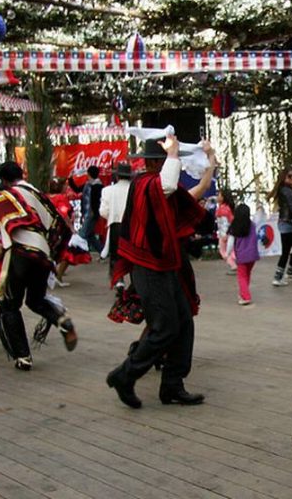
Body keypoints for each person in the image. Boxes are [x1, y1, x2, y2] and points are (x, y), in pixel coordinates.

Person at [105, 135, 210, 409]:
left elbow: (191, 191)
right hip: (149, 267)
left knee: (183, 322)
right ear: (154, 162)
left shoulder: (157, 186)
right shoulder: (146, 183)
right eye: (164, 160)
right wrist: (173, 153)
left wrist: (210, 162)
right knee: (164, 327)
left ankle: (173, 385)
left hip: (165, 265)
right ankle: (124, 376)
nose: (170, 164)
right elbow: (168, 183)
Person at [0, 162, 78, 371]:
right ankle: (62, 321)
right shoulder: (36, 194)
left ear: (4, 180)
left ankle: (23, 356)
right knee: (35, 300)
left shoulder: (9, 195)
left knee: (9, 305)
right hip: (43, 255)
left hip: (21, 253)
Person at [99, 162, 133, 271]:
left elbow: (103, 212)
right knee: (133, 257)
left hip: (115, 225)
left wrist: (112, 216)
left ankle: (118, 278)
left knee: (115, 256)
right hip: (132, 226)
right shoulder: (135, 189)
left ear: (117, 176)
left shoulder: (107, 190)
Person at [229, 203, 259, 306]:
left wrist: (227, 253)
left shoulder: (235, 226)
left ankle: (246, 297)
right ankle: (243, 293)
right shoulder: (252, 225)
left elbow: (230, 242)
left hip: (242, 256)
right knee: (247, 275)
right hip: (253, 255)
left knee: (241, 276)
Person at [78, 165, 104, 254]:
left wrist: (94, 212)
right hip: (87, 212)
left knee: (83, 234)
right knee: (90, 235)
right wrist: (70, 179)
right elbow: (77, 189)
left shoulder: (98, 186)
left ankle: (78, 253)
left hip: (91, 213)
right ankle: (102, 251)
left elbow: (96, 201)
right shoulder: (88, 184)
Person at [214, 189, 237, 274]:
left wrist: (224, 234)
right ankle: (234, 263)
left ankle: (233, 265)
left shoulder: (223, 209)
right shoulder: (227, 208)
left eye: (219, 195)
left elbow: (225, 223)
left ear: (223, 197)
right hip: (228, 233)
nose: (217, 197)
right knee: (230, 250)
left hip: (224, 234)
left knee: (224, 251)